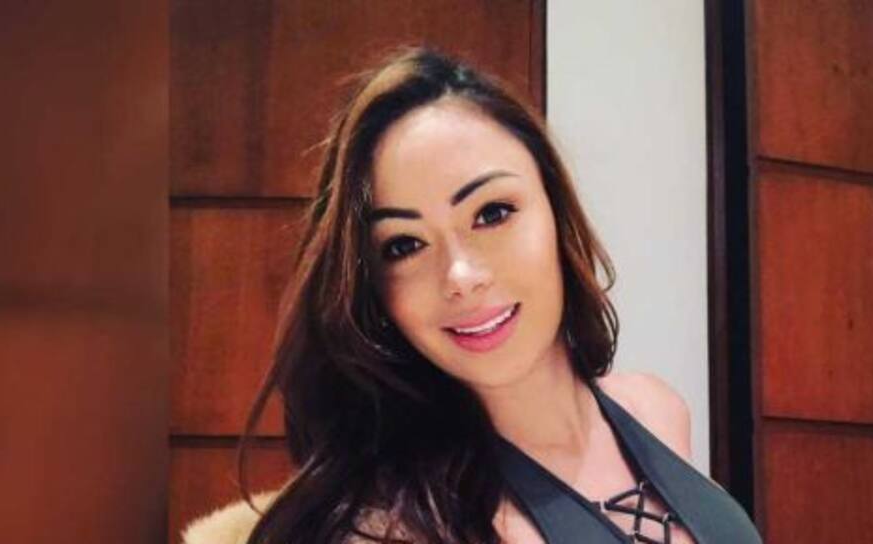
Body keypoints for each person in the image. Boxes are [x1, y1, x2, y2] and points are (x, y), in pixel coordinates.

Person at [182, 47, 760, 544]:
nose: (459, 275)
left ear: (556, 212)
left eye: (493, 212)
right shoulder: (398, 524)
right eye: (404, 245)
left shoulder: (655, 410)